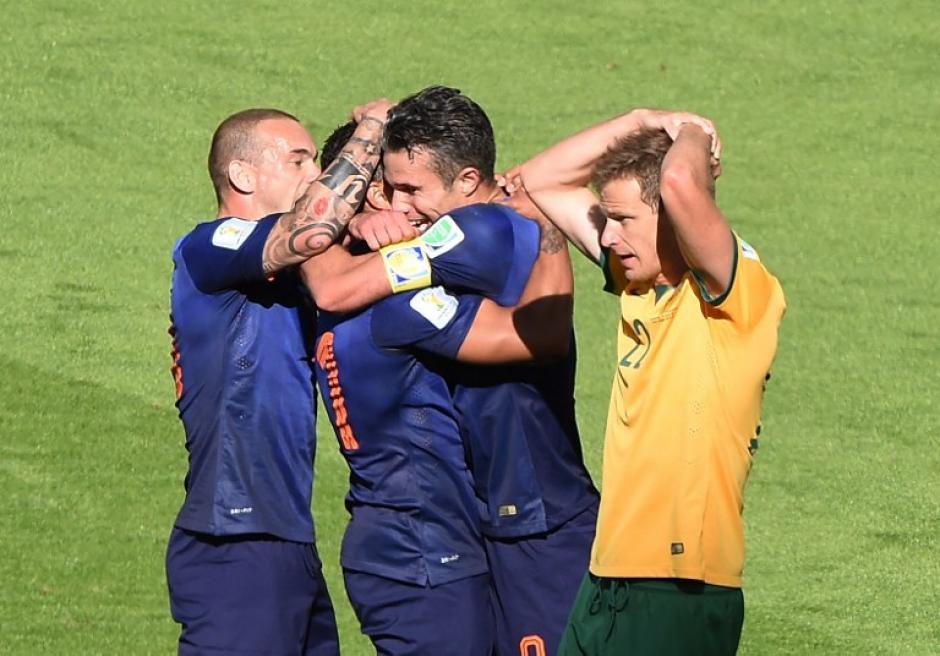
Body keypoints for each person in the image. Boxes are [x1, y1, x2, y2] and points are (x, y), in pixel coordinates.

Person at [521, 109, 787, 654]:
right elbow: (543, 179)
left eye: (621, 218)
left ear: (673, 219)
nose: (609, 234)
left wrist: (694, 133)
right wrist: (646, 118)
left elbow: (680, 181)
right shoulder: (637, 283)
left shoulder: (735, 293)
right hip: (606, 578)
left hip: (681, 587)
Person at [306, 122, 570, 655]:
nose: (416, 208)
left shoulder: (313, 273)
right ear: (374, 195)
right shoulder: (396, 306)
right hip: (423, 549)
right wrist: (550, 232)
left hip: (399, 539)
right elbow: (534, 337)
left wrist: (350, 220)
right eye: (396, 188)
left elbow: (321, 257)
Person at [165, 99, 402, 655]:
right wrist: (373, 128)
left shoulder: (289, 269)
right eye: (297, 161)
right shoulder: (210, 245)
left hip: (286, 539)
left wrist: (366, 222)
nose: (314, 175)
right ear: (241, 174)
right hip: (233, 536)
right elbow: (313, 230)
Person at [379, 86, 600, 656]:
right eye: (390, 188)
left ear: (470, 181)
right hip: (490, 528)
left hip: (540, 526)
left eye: (412, 190)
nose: (399, 205)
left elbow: (544, 335)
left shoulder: (500, 236)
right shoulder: (457, 244)